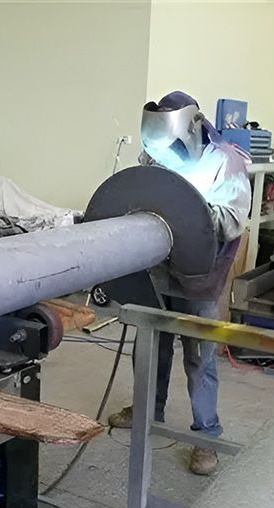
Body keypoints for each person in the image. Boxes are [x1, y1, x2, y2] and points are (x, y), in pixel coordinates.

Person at [107, 91, 251, 475]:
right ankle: (147, 409)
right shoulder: (157, 153)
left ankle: (207, 436)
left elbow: (232, 221)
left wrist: (187, 209)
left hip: (200, 276)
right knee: (150, 345)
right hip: (158, 269)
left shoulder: (225, 162)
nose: (161, 154)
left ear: (190, 128)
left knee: (199, 356)